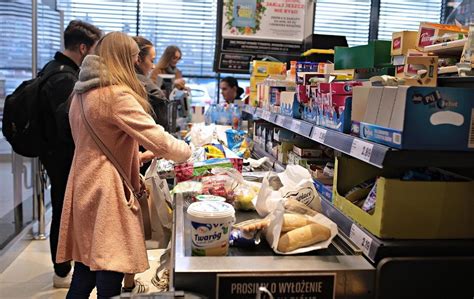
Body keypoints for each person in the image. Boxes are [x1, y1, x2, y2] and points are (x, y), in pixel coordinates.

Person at [56, 32, 192, 298]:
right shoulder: (115, 95)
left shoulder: (80, 94)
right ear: (123, 60)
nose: (137, 66)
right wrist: (186, 151)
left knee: (85, 270)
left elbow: (96, 145)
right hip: (107, 189)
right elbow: (159, 139)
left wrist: (138, 157)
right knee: (110, 269)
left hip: (82, 182)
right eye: (133, 60)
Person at [37, 19, 102, 289]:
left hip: (54, 154)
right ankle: (62, 270)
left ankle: (64, 267)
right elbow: (70, 124)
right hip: (63, 157)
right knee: (64, 211)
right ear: (83, 47)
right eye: (95, 49)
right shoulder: (65, 78)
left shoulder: (51, 69)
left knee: (62, 207)